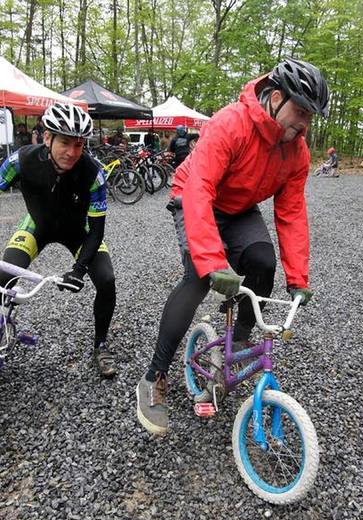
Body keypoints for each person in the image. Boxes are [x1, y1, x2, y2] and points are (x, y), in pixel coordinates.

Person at [135, 58, 329, 435]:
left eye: (311, 116)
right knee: (197, 280)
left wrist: (298, 277)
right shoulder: (231, 122)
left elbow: (290, 212)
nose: (305, 123)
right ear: (275, 98)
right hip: (192, 196)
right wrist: (212, 261)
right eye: (300, 111)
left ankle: (235, 347)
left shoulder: (298, 152)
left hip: (239, 208)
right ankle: (153, 377)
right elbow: (199, 188)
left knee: (262, 261)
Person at [0, 102, 118, 378]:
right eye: (65, 142)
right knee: (3, 275)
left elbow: (97, 231)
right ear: (47, 137)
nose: (72, 152)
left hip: (80, 231)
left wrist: (78, 270)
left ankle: (101, 344)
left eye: (79, 145)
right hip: (36, 225)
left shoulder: (93, 174)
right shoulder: (22, 159)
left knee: (107, 280)